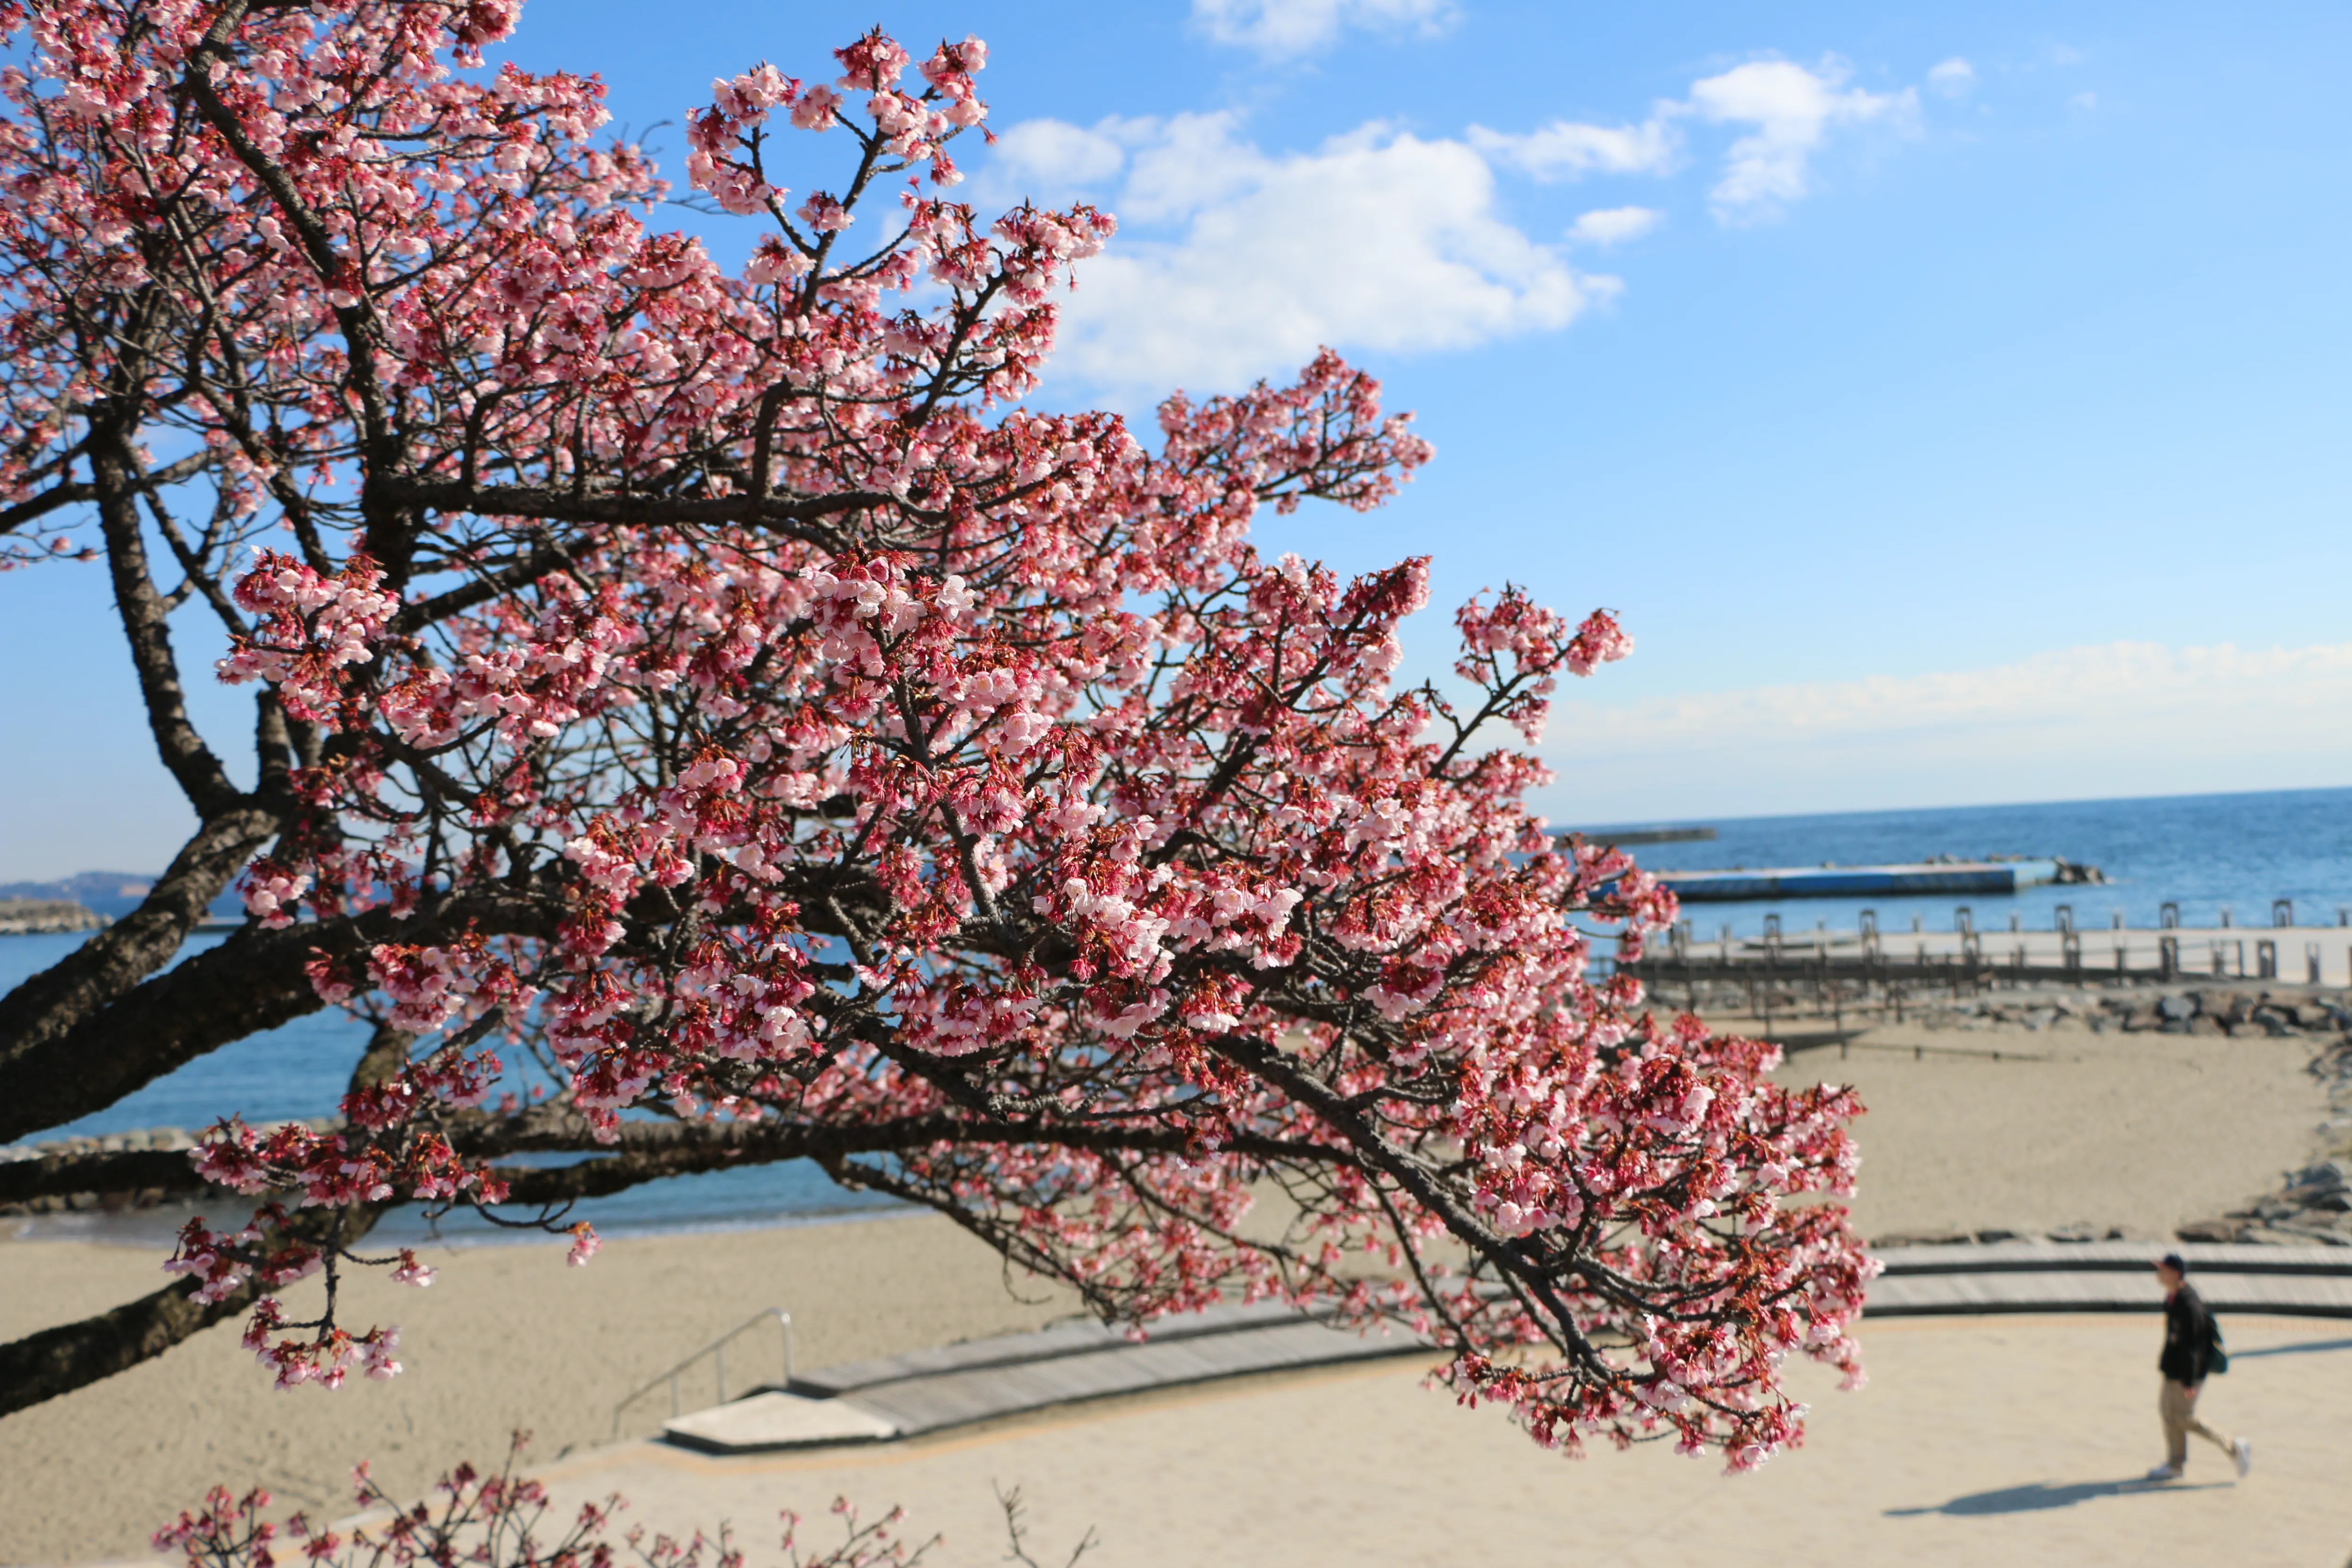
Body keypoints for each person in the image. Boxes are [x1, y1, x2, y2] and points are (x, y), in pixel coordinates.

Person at [2146, 1253, 2251, 1482]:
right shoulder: (2173, 1298)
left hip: (2186, 1373)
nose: (2158, 1274)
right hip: (2174, 1368)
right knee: (2168, 1414)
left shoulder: (2188, 1303)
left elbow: (2194, 1345)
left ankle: (2234, 1447)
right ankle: (2175, 1465)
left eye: (2162, 1270)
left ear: (2175, 1274)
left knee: (2184, 1418)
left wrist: (2190, 1381)